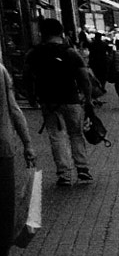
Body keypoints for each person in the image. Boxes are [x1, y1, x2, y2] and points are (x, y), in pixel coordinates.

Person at [25, 21, 92, 188]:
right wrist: (88, 98)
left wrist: (31, 96)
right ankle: (82, 168)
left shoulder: (34, 53)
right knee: (76, 134)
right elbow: (84, 77)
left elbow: (27, 76)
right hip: (71, 100)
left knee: (57, 137)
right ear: (61, 32)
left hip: (49, 102)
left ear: (42, 33)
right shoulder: (70, 52)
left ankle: (64, 174)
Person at [0, 54, 40, 256]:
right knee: (5, 209)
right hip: (3, 149)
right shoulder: (1, 71)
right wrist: (27, 144)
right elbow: (15, 110)